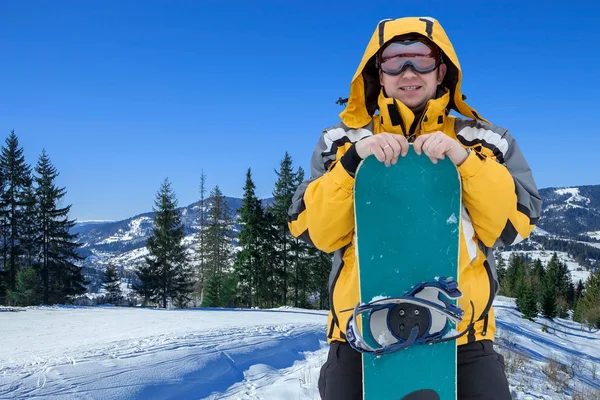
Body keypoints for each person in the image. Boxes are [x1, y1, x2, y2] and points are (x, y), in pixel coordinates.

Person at [287, 16, 542, 400]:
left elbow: (511, 225)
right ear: (378, 72)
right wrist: (353, 165)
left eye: (421, 59)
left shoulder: (485, 141)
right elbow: (318, 233)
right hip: (359, 336)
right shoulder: (341, 142)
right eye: (394, 60)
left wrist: (466, 163)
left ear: (441, 71)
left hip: (462, 338)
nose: (408, 72)